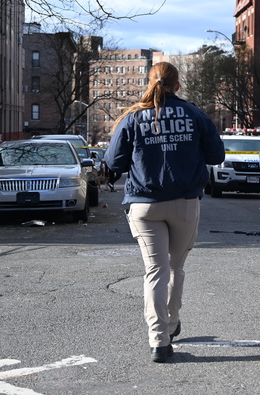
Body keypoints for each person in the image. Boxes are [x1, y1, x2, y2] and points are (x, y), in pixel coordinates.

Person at [104, 62, 225, 363]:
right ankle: (170, 325)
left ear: (150, 82)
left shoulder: (133, 117)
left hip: (144, 204)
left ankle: (158, 341)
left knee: (155, 271)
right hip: (185, 202)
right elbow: (217, 155)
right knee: (176, 267)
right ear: (177, 85)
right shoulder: (195, 114)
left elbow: (114, 162)